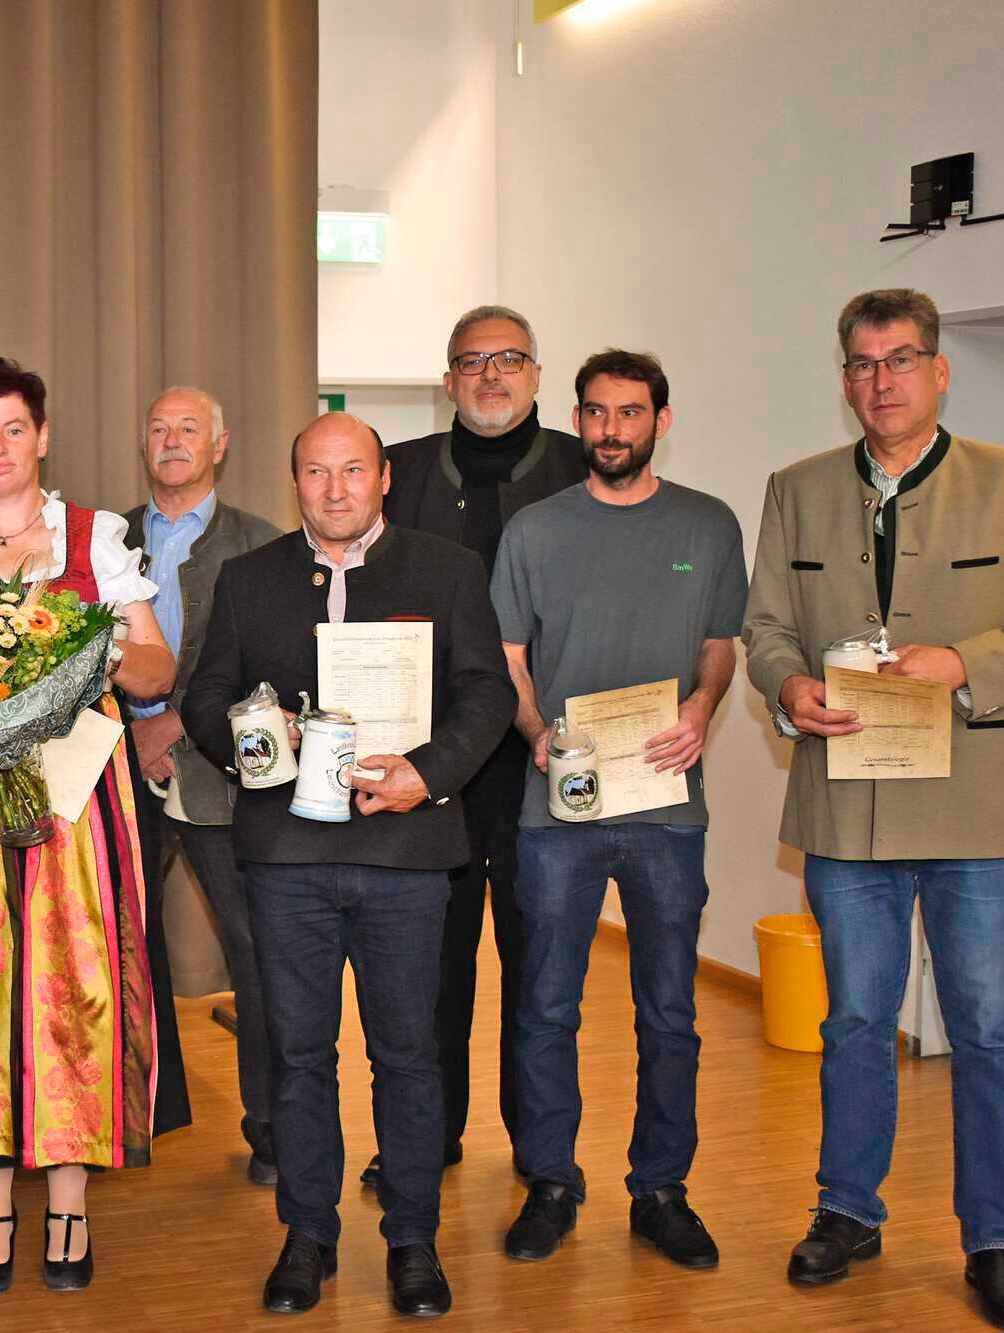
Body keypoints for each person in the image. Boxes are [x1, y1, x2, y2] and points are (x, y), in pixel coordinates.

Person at [743, 289, 1004, 1332]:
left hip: (973, 815)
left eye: (898, 359)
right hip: (845, 816)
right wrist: (787, 687)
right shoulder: (795, 490)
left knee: (985, 1028)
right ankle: (845, 1209)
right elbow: (764, 629)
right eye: (859, 362)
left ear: (938, 370)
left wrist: (960, 663)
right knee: (852, 1022)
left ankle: (994, 1239)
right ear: (841, 377)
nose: (878, 380)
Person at [183, 412, 516, 1318]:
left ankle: (413, 1240)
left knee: (409, 1055)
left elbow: (488, 692)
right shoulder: (247, 579)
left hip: (408, 855)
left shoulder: (446, 571)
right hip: (286, 856)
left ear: (382, 478)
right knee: (296, 1056)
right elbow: (205, 696)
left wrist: (428, 772)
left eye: (353, 471)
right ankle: (308, 1233)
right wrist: (256, 742)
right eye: (316, 473)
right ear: (295, 482)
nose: (335, 490)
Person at [0, 358, 176, 1295]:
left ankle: (71, 1201)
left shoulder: (96, 537)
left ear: (42, 436)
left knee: (73, 986)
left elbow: (157, 669)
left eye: (13, 430)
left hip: (75, 798)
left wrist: (82, 650)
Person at [490, 351, 745, 1270]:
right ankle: (551, 1181)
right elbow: (510, 658)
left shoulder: (709, 525)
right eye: (595, 414)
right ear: (579, 418)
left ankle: (662, 1188)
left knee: (670, 1010)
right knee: (547, 1001)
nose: (609, 431)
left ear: (660, 422)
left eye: (629, 414)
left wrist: (701, 708)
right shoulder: (534, 528)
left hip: (667, 806)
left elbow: (721, 647)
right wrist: (535, 734)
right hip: (556, 805)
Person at [375, 304, 585, 1185]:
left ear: (538, 373)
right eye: (471, 361)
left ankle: (543, 1159)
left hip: (546, 760)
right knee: (433, 968)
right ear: (448, 377)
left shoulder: (585, 467)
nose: (490, 375)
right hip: (440, 767)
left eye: (508, 359)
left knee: (541, 971)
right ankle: (431, 1139)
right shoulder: (406, 471)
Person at [121, 385, 280, 1182]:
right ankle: (114, 1117)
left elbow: (271, 671)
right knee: (107, 947)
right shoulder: (101, 540)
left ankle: (272, 1130)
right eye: (159, 428)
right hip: (113, 775)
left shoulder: (261, 544)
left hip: (221, 780)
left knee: (256, 953)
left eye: (189, 428)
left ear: (220, 445)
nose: (172, 440)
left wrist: (171, 722)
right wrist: (134, 729)